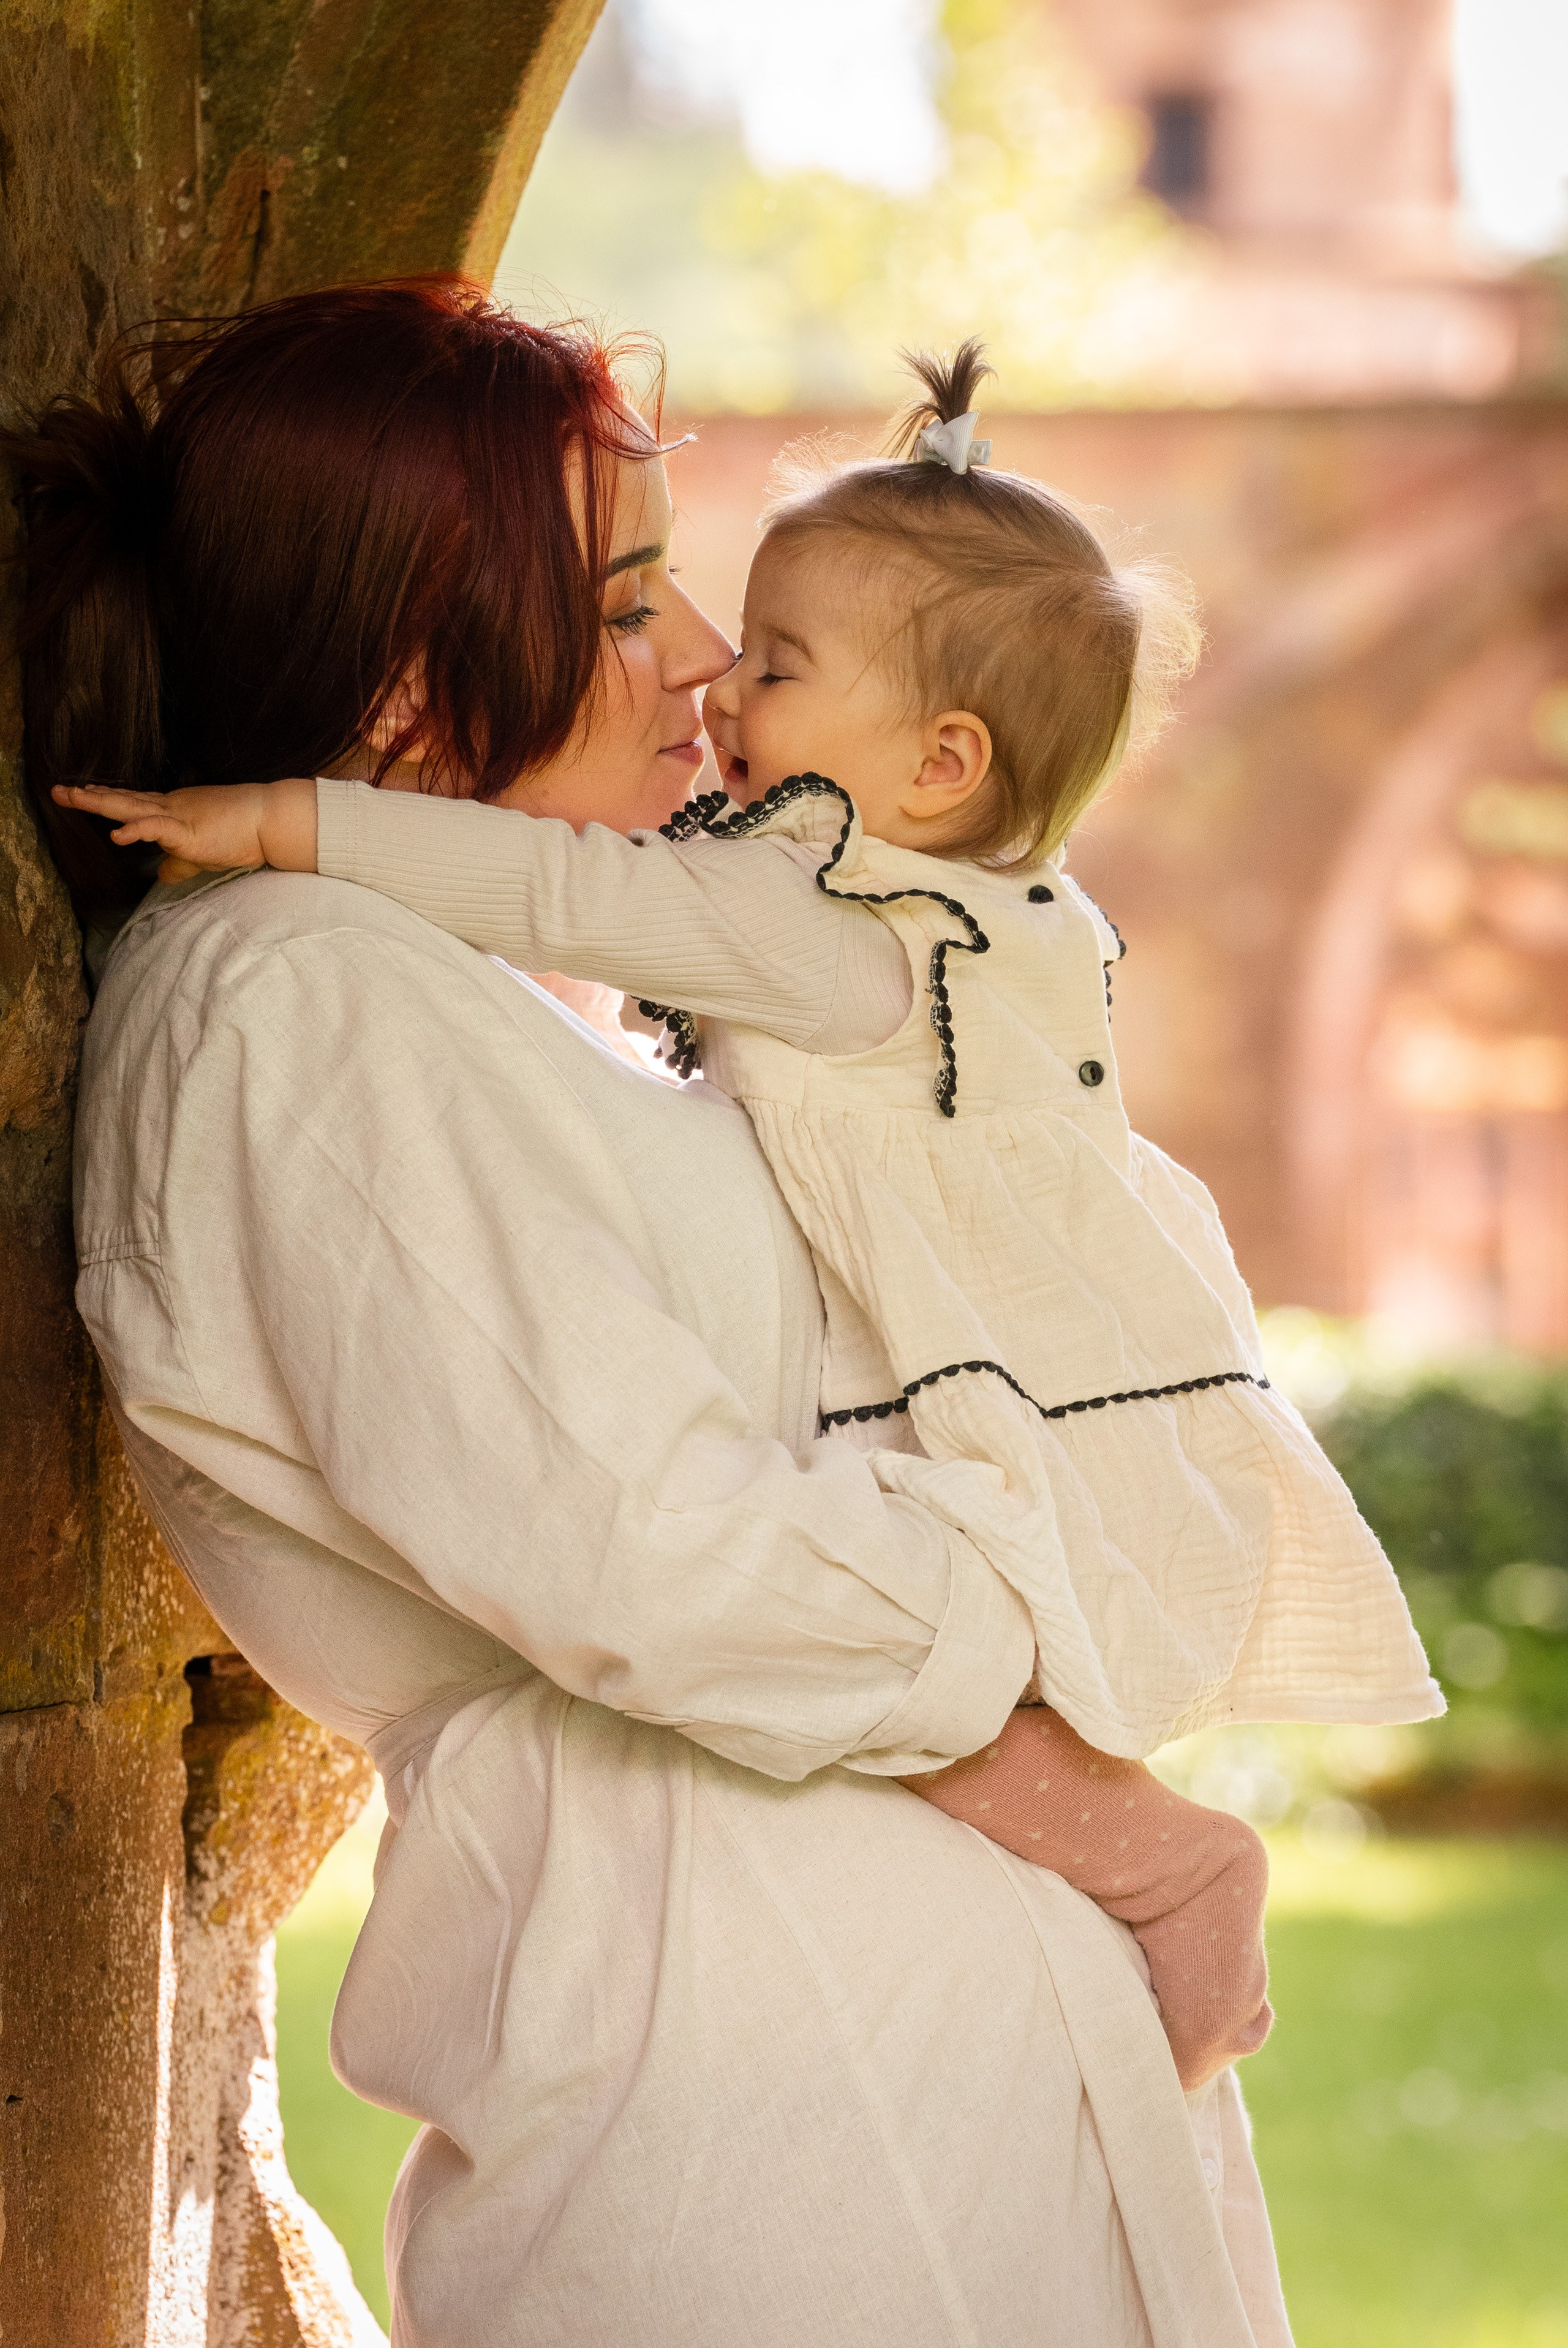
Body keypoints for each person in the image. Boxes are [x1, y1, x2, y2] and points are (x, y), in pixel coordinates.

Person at [10, 278, 1305, 2347]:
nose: (706, 664)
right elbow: (661, 1543)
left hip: (897, 2090)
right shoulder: (294, 1003)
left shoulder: (500, 986)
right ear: (415, 684)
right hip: (767, 2123)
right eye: (627, 609)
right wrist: (1115, 1816)